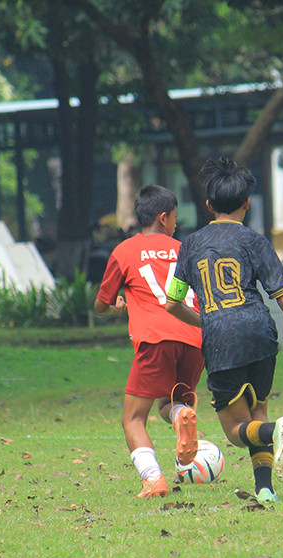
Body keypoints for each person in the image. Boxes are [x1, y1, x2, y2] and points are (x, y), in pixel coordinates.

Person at [165, 157, 283, 504]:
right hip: (261, 333)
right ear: (247, 204)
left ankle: (275, 434)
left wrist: (206, 321)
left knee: (237, 433)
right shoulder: (256, 241)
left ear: (208, 206)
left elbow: (172, 302)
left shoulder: (190, 245)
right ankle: (265, 489)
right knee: (258, 411)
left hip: (222, 341)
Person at [95, 184, 203, 499]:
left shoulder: (125, 250)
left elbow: (101, 304)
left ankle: (153, 477)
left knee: (132, 417)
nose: (175, 224)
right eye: (175, 218)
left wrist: (115, 306)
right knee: (169, 403)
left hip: (156, 339)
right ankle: (182, 413)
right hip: (195, 339)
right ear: (164, 217)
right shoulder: (186, 249)